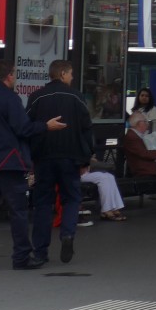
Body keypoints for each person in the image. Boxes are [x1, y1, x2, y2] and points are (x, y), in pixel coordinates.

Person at [0, 58, 65, 270]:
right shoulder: (10, 98)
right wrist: (46, 126)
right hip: (10, 163)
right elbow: (23, 129)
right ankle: (21, 257)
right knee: (19, 210)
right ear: (9, 76)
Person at [26, 59, 93, 265]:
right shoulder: (77, 97)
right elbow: (86, 129)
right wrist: (86, 157)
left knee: (43, 203)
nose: (72, 78)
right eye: (71, 73)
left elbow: (27, 127)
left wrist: (31, 158)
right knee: (71, 198)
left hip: (43, 158)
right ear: (62, 73)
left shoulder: (36, 97)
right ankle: (67, 234)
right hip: (70, 158)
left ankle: (40, 252)